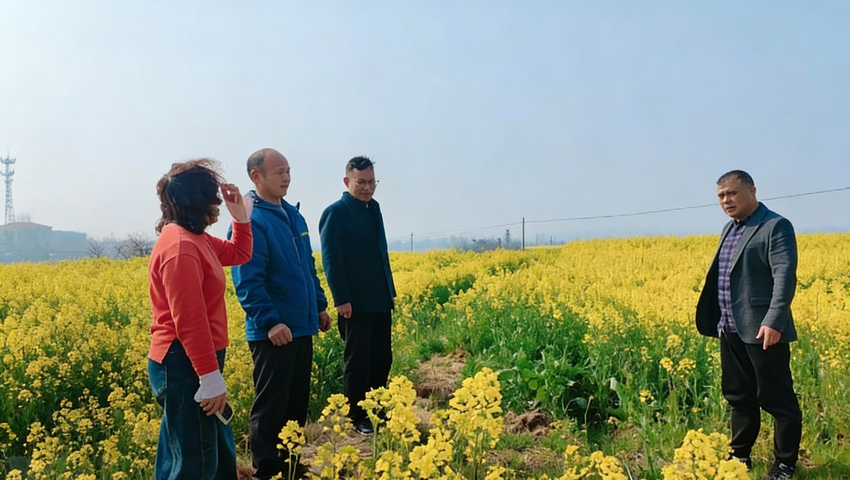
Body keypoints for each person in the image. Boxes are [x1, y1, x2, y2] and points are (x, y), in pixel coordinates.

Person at [147, 159, 253, 480]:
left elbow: (239, 254)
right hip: (184, 362)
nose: (217, 204)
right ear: (196, 202)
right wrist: (209, 377)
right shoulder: (181, 247)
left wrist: (241, 219)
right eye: (212, 197)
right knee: (196, 463)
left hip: (194, 360)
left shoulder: (197, 238)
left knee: (210, 452)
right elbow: (189, 321)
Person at [230, 148, 331, 480]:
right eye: (279, 172)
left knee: (296, 403)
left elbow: (307, 267)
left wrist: (319, 305)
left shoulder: (293, 214)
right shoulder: (250, 220)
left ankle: (291, 465)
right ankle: (267, 470)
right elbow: (247, 279)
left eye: (288, 171)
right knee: (271, 405)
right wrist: (271, 321)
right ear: (256, 177)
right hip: (273, 331)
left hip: (301, 325)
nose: (286, 178)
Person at [696, 170, 802, 480]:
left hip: (763, 330)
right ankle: (740, 457)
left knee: (777, 399)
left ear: (752, 191)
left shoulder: (775, 225)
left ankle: (785, 464)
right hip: (729, 328)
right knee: (739, 397)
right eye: (721, 196)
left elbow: (784, 276)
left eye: (732, 193)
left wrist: (774, 321)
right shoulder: (729, 229)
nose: (726, 200)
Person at [319, 156, 396, 435]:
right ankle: (357, 415)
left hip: (380, 298)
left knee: (382, 358)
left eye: (372, 182)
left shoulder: (373, 208)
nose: (367, 188)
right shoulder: (336, 212)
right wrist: (341, 298)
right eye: (361, 182)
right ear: (347, 181)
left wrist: (389, 292)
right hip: (354, 302)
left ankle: (377, 409)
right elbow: (332, 258)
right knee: (358, 361)